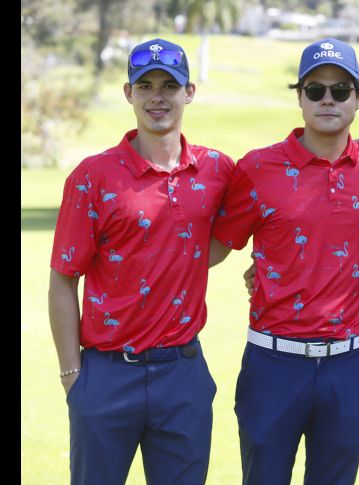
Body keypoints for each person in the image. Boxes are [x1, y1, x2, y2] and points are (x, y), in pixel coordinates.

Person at [48, 38, 234, 484]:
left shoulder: (217, 170)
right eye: (145, 85)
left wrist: (355, 146)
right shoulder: (93, 176)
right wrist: (73, 375)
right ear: (128, 93)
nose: (157, 97)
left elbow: (272, 201)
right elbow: (62, 279)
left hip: (183, 373)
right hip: (107, 374)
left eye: (169, 85)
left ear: (189, 92)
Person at [209, 38, 359, 485]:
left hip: (349, 363)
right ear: (300, 98)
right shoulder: (256, 168)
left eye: (341, 90)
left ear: (358, 98)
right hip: (274, 363)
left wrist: (324, 267)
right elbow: (215, 246)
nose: (328, 99)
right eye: (316, 89)